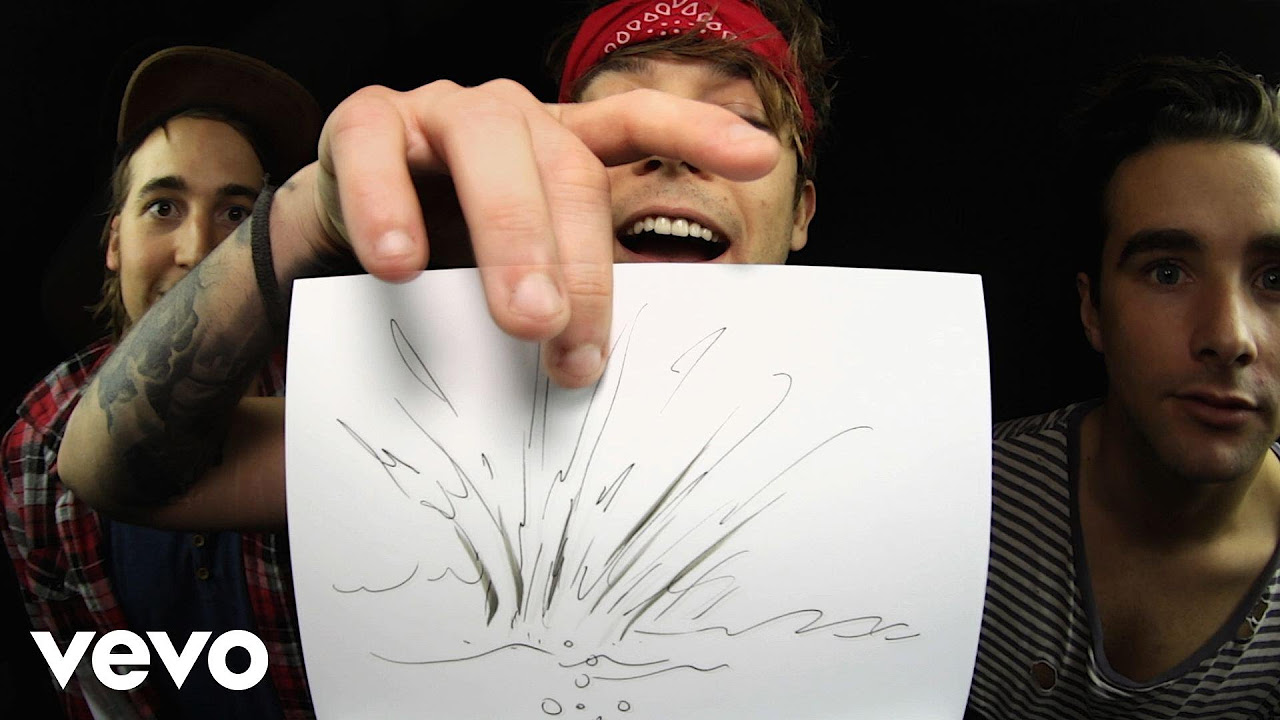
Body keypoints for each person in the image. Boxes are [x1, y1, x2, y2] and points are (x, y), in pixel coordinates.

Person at [51, 0, 836, 533]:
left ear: (801, 209)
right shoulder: (459, 410)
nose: (671, 147)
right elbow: (115, 476)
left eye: (736, 121)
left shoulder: (893, 416)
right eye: (615, 121)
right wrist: (302, 220)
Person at [1, 47, 322, 718]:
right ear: (114, 241)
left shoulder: (329, 395)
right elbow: (86, 684)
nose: (197, 250)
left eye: (236, 215)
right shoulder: (38, 442)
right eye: (164, 207)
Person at [967, 56, 1280, 719]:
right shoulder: (960, 502)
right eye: (1167, 272)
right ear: (1093, 310)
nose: (1229, 337)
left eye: (1276, 280)